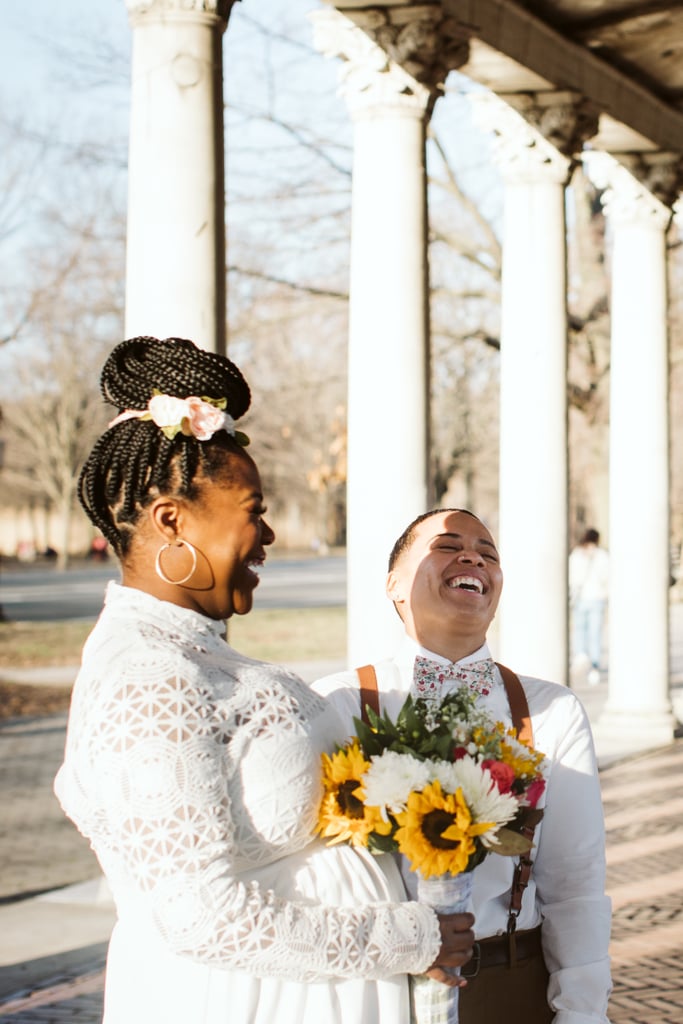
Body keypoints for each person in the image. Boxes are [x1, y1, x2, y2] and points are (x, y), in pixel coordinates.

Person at [54, 337, 474, 1024]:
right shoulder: (147, 679)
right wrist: (408, 937)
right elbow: (201, 917)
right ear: (172, 521)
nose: (269, 534)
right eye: (253, 511)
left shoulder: (193, 656)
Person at [314, 508, 612, 1024]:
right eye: (448, 546)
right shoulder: (335, 705)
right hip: (369, 994)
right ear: (394, 585)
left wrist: (581, 1012)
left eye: (488, 552)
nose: (473, 555)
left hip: (507, 981)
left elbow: (576, 883)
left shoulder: (551, 710)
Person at [569, 528, 610, 685]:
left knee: (581, 630)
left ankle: (583, 656)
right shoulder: (601, 555)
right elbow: (607, 577)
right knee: (594, 633)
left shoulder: (577, 554)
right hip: (596, 598)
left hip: (582, 598)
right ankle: (593, 666)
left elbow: (573, 576)